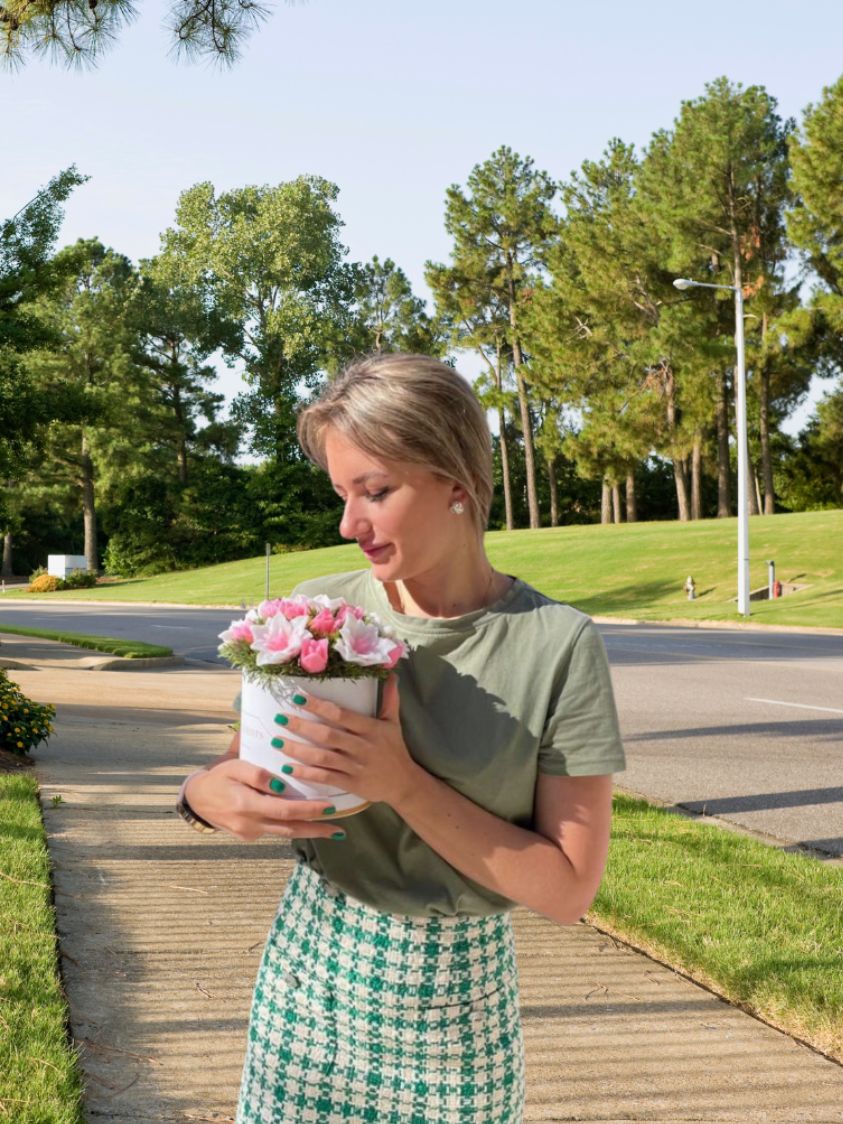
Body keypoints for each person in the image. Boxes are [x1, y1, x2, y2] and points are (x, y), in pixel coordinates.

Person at [177, 353, 626, 1124]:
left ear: (457, 481)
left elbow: (566, 889)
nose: (349, 524)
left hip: (455, 1004)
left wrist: (401, 783)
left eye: (375, 492)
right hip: (310, 972)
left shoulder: (557, 645)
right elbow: (240, 766)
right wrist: (200, 797)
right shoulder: (313, 614)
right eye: (341, 494)